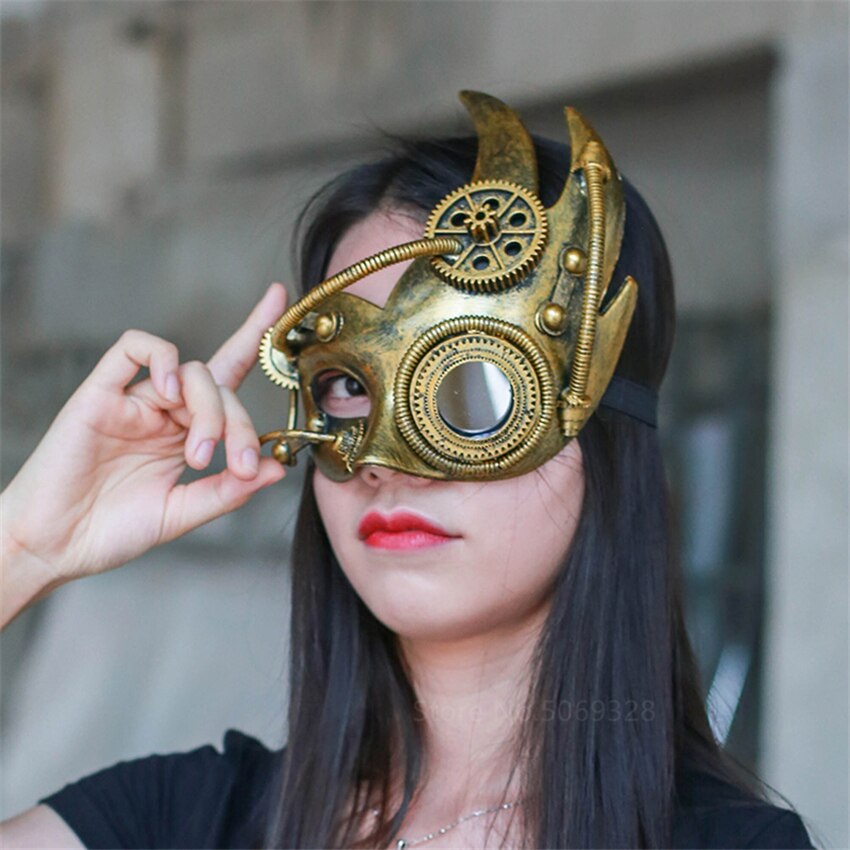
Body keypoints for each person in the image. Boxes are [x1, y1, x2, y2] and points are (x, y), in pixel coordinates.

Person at [0, 92, 816, 849]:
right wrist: (23, 549)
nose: (388, 465)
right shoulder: (183, 822)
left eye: (472, 389)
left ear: (602, 429)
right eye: (347, 386)